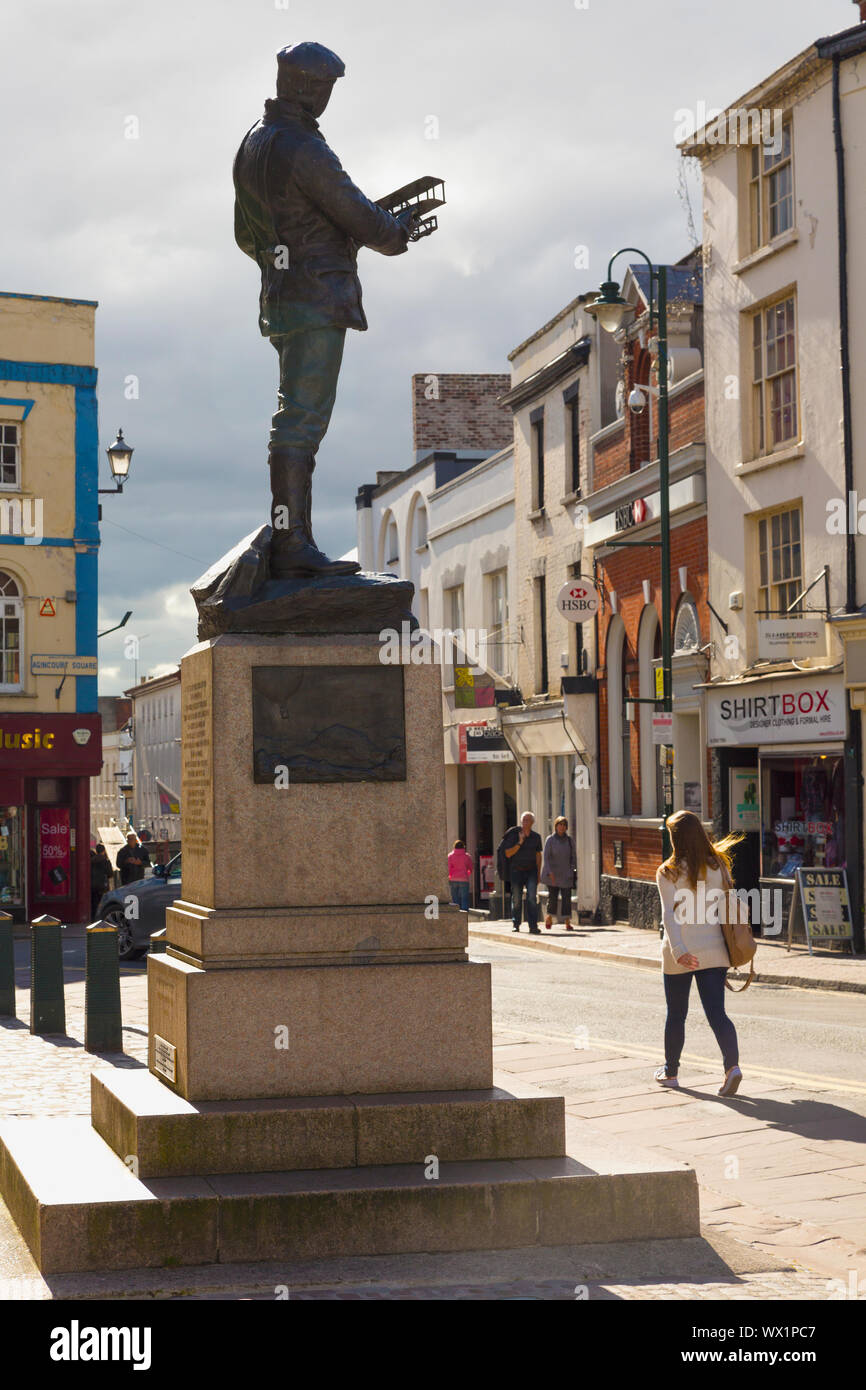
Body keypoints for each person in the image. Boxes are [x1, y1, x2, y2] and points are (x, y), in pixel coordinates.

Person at [233, 42, 415, 578]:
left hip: (281, 298)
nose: (329, 99)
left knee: (295, 415)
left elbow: (247, 236)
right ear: (312, 88)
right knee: (301, 421)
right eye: (328, 89)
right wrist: (393, 232)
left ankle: (294, 538)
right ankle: (293, 545)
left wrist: (287, 257)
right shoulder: (305, 148)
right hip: (317, 299)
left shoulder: (253, 144)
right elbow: (355, 211)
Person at [655, 810, 744, 1097]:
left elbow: (670, 916)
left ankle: (671, 1073)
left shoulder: (667, 871)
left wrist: (679, 950)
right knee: (717, 1013)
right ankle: (733, 1068)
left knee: (676, 1014)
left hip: (681, 952)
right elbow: (728, 907)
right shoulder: (718, 865)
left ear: (676, 838)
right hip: (714, 949)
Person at [498, 811, 543, 935]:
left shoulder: (536, 837)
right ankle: (516, 924)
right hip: (516, 871)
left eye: (528, 820)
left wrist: (539, 873)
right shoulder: (514, 835)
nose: (525, 822)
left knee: (532, 899)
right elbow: (507, 853)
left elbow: (538, 855)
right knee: (517, 899)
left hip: (531, 871)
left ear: (532, 823)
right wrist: (519, 843)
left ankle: (533, 926)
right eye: (523, 820)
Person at [542, 816, 577, 930]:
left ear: (566, 827)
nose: (561, 827)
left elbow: (573, 857)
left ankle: (567, 921)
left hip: (566, 873)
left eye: (563, 825)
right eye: (559, 825)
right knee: (553, 897)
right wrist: (549, 872)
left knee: (567, 897)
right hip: (553, 873)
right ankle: (549, 917)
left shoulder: (569, 840)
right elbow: (546, 858)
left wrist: (572, 869)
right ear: (556, 826)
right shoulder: (550, 840)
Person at [447, 839, 473, 911]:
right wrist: (467, 873)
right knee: (464, 897)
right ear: (463, 847)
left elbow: (448, 868)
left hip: (453, 879)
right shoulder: (467, 856)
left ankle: (456, 913)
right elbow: (470, 867)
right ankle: (465, 914)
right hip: (464, 879)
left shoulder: (450, 856)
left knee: (455, 898)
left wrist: (449, 876)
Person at [90, 844, 113, 919]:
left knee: (94, 903)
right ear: (103, 851)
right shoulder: (106, 861)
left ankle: (93, 918)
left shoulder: (91, 860)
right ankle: (101, 918)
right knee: (103, 903)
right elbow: (110, 874)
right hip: (103, 886)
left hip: (92, 885)